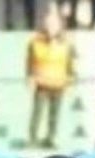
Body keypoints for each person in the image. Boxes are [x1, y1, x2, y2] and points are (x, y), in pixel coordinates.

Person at [26, 6, 76, 148]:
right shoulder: (35, 42)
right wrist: (30, 76)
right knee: (37, 113)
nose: (50, 28)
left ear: (59, 26)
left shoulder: (66, 43)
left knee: (54, 114)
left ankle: (50, 138)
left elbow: (70, 63)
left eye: (53, 25)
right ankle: (33, 138)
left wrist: (71, 78)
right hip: (41, 82)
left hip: (59, 82)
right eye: (48, 24)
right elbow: (30, 61)